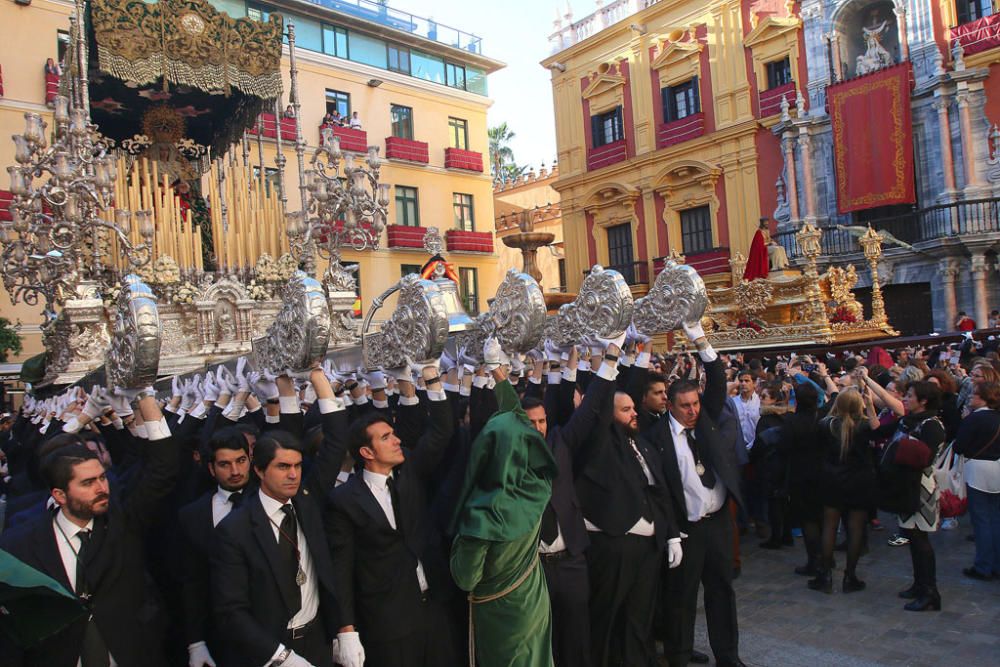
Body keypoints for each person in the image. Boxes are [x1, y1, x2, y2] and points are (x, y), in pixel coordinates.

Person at [0, 390, 178, 667]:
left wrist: (143, 393)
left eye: (102, 478)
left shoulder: (124, 522)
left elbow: (162, 467)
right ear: (59, 495)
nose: (101, 488)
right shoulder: (19, 545)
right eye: (87, 483)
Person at [210, 366, 347, 667]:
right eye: (282, 467)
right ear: (258, 471)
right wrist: (280, 658)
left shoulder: (307, 500)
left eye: (297, 466)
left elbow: (336, 441)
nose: (293, 475)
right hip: (268, 653)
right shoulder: (235, 528)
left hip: (317, 640)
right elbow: (232, 610)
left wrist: (316, 376)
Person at [325, 362, 458, 667]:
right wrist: (346, 629)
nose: (397, 440)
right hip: (387, 623)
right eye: (385, 438)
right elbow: (342, 568)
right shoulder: (343, 500)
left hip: (434, 608)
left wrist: (430, 376)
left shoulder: (409, 471)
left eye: (394, 434)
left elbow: (441, 432)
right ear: (366, 452)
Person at [572, 331, 681, 667]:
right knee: (606, 621)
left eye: (634, 408)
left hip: (647, 550)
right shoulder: (600, 444)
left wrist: (672, 533)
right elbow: (598, 407)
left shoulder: (643, 444)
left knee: (639, 621)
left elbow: (660, 492)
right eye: (625, 409)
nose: (634, 413)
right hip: (613, 548)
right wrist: (609, 356)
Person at [450, 338, 558, 667]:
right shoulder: (537, 485)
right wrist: (498, 373)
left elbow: (465, 578)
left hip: (502, 614)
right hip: (534, 601)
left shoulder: (480, 516)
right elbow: (518, 422)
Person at [647, 321, 747, 667]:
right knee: (681, 598)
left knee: (722, 592)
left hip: (718, 523)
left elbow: (717, 381)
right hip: (686, 529)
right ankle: (678, 655)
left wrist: (700, 339)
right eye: (685, 405)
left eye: (695, 404)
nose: (692, 411)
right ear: (670, 406)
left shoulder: (705, 420)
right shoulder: (656, 436)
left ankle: (728, 655)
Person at [878, 381, 947, 611]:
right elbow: (879, 430)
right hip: (905, 484)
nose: (905, 399)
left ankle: (930, 592)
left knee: (920, 540)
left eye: (909, 395)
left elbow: (924, 459)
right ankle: (920, 584)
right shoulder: (908, 421)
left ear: (923, 400)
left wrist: (902, 448)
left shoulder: (931, 425)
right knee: (912, 536)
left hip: (919, 486)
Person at [808, 388, 880, 593]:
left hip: (832, 479)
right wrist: (871, 408)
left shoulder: (826, 425)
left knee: (829, 525)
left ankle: (825, 575)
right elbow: (879, 431)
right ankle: (850, 576)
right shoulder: (865, 426)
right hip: (859, 481)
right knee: (856, 528)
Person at [953, 381, 1000, 580]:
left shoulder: (974, 419)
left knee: (981, 520)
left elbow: (960, 446)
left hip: (978, 470)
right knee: (995, 518)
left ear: (983, 397)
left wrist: (965, 421)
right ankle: (995, 563)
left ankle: (983, 565)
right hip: (997, 467)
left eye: (974, 394)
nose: (971, 397)